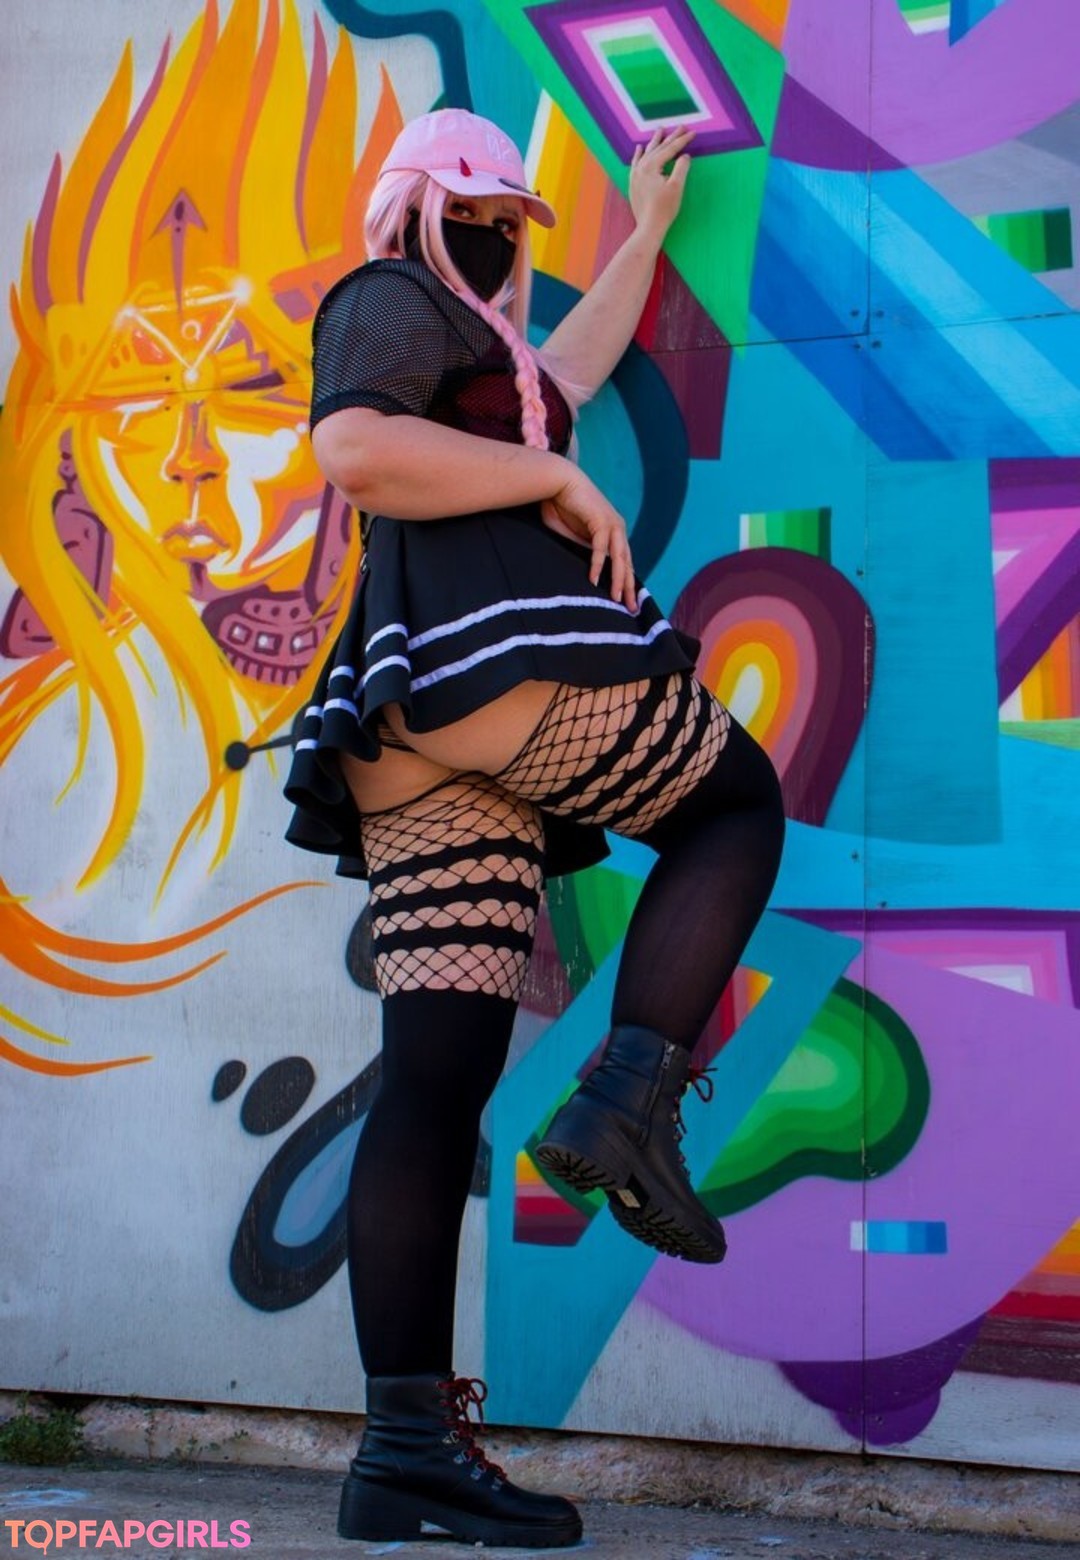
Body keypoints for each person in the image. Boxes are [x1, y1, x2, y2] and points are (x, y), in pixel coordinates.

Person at [283, 107, 785, 1549]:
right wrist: (558, 480)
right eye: (484, 214)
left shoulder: (486, 355)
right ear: (421, 206)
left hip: (421, 727)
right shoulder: (388, 294)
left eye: (514, 221)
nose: (502, 240)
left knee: (435, 1082)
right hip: (494, 660)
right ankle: (626, 1099)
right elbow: (354, 445)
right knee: (734, 804)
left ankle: (402, 1456)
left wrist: (648, 229)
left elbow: (567, 371)